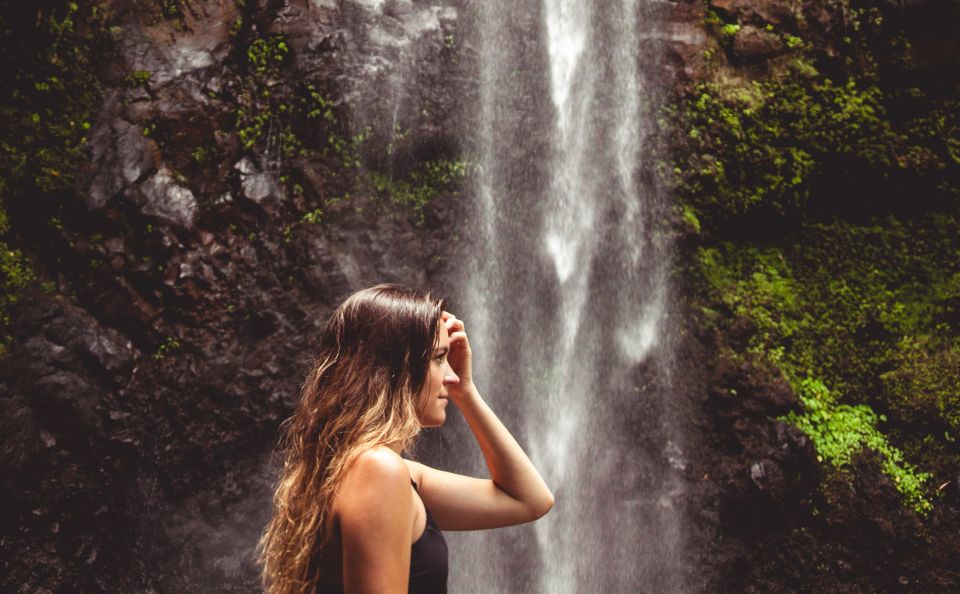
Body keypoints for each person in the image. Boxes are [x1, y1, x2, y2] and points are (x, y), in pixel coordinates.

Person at [257, 284, 554, 594]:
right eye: (439, 358)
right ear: (396, 367)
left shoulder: (374, 470)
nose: (450, 376)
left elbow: (529, 500)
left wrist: (466, 392)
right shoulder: (378, 471)